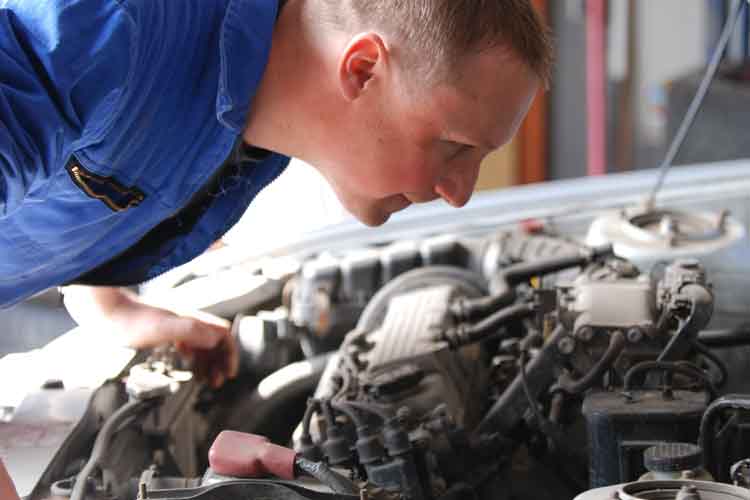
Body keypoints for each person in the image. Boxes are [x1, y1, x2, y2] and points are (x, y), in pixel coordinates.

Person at [0, 0, 551, 494]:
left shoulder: (267, 109)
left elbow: (96, 162)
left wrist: (107, 303)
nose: (460, 193)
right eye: (454, 146)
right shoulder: (113, 22)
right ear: (362, 70)